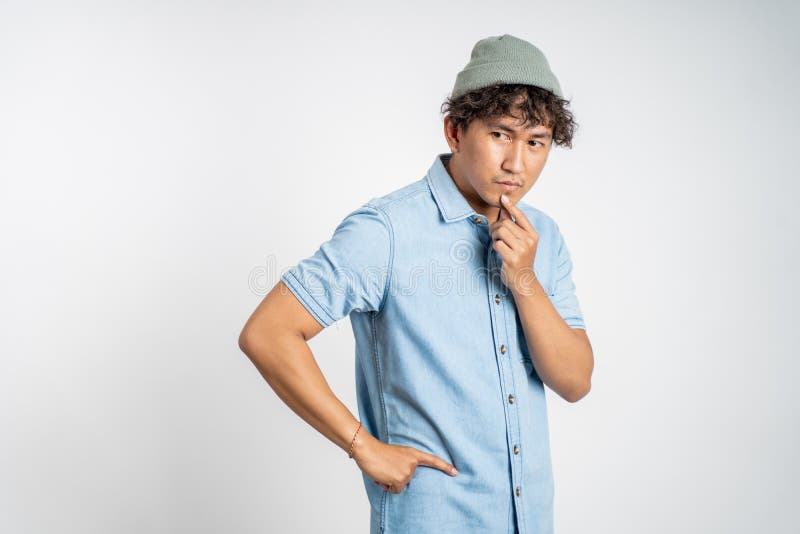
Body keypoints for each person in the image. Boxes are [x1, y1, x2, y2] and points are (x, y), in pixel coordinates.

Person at [238, 33, 594, 534]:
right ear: (454, 131)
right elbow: (268, 333)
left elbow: (575, 381)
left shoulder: (544, 238)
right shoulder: (386, 231)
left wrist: (524, 280)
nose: (517, 163)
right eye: (500, 135)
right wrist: (363, 446)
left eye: (535, 142)